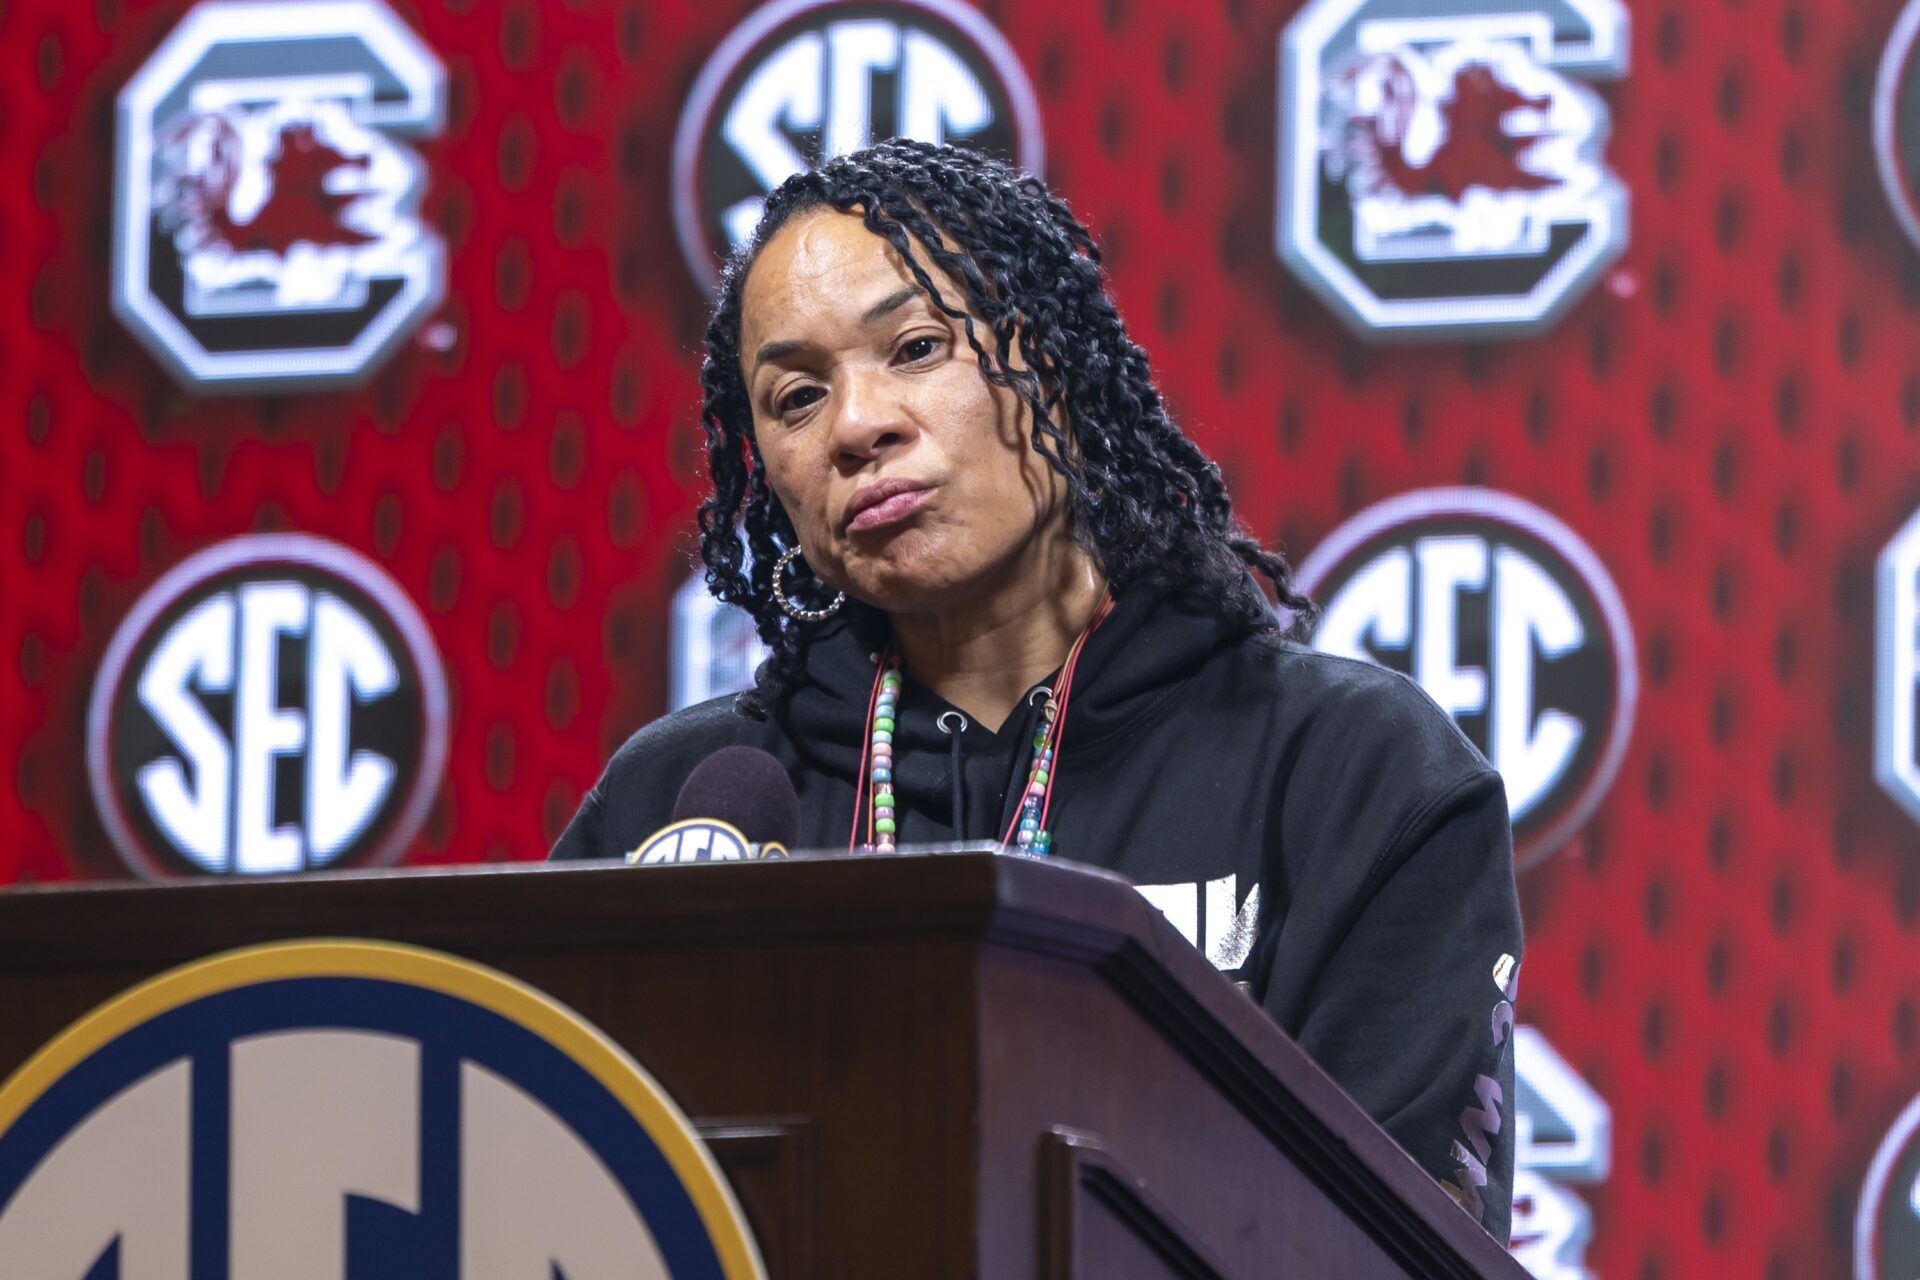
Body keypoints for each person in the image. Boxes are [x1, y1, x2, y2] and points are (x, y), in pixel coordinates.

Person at [551, 139, 1523, 1241]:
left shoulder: (1352, 771)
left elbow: (1396, 1246)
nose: (858, 425)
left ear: (1050, 360)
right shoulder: (681, 802)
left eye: (916, 346)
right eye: (795, 396)